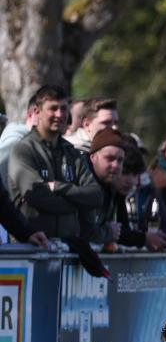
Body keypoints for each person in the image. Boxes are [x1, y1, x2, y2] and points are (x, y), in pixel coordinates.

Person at [8, 85, 103, 239]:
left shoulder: (72, 152)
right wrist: (79, 203)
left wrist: (58, 187)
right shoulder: (23, 149)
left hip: (67, 250)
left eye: (64, 109)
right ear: (37, 112)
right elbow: (37, 196)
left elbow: (96, 196)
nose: (59, 114)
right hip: (32, 249)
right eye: (53, 108)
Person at [114, 142, 166, 251]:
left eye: (135, 174)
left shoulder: (148, 190)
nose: (130, 180)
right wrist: (144, 238)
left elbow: (123, 231)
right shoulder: (103, 193)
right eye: (125, 173)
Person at [85, 128, 127, 247]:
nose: (115, 166)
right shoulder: (82, 185)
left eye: (120, 160)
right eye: (109, 158)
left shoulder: (111, 187)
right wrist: (109, 233)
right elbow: (84, 231)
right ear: (93, 157)